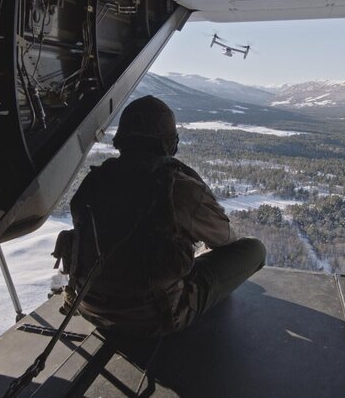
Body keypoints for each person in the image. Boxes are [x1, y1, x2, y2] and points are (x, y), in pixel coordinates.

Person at [54, 95, 266, 337]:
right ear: (168, 143)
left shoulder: (93, 181)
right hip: (153, 318)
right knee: (255, 250)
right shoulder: (176, 186)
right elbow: (225, 238)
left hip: (90, 308)